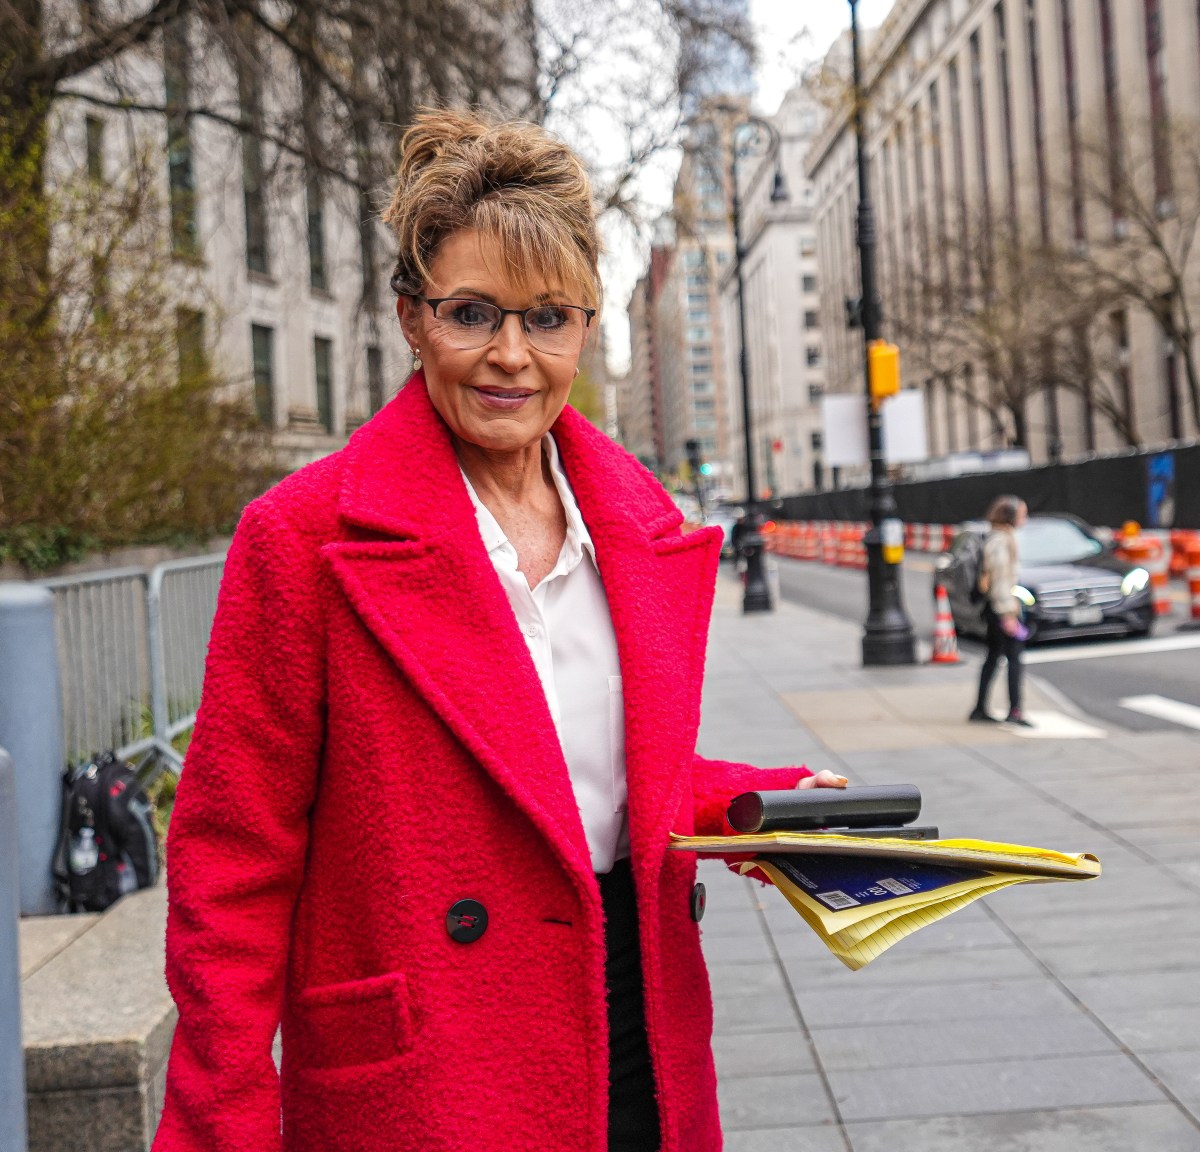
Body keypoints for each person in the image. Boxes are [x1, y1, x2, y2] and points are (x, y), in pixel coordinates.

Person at [152, 108, 847, 1152]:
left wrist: (753, 807)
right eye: (473, 312)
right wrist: (222, 1124)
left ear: (587, 326)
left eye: (548, 317)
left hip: (636, 1019)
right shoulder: (301, 539)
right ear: (412, 317)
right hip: (430, 1058)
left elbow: (567, 770)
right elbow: (230, 863)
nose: (512, 357)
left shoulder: (640, 526)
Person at [969, 494, 1032, 727]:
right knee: (1014, 658)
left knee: (994, 656)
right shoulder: (1000, 542)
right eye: (1022, 514)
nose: (1025, 518)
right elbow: (1001, 581)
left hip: (996, 608)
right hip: (1001, 609)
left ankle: (979, 708)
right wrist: (1008, 614)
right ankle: (1015, 711)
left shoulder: (999, 538)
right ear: (1010, 516)